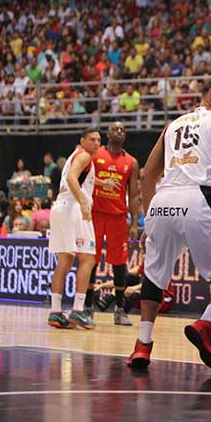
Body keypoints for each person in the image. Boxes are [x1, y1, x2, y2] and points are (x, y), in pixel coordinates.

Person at [126, 76, 211, 370]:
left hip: (163, 200)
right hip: (200, 197)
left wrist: (149, 216)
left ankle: (143, 344)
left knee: (154, 275)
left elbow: (147, 175)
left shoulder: (172, 124)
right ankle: (207, 323)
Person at [85, 121, 140, 326]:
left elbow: (133, 195)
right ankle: (88, 308)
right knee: (91, 260)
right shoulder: (95, 155)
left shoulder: (131, 162)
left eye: (122, 129)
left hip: (118, 217)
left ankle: (119, 310)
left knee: (119, 263)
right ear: (107, 134)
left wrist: (134, 223)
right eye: (115, 129)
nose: (119, 131)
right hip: (96, 214)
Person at [47, 128, 101, 330]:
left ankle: (55, 311)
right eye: (92, 139)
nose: (96, 143)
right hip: (74, 209)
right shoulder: (85, 155)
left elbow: (76, 178)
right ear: (82, 141)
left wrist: (102, 182)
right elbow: (72, 179)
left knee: (64, 261)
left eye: (98, 140)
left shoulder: (75, 156)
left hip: (59, 208)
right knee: (88, 258)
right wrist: (84, 204)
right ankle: (78, 310)